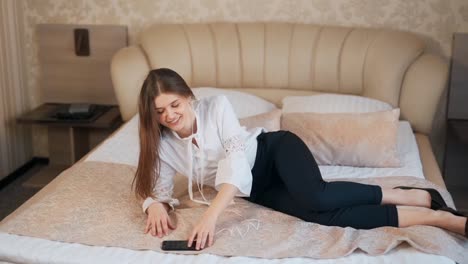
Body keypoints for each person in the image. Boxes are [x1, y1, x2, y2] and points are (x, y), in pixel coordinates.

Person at [134, 68, 467, 251]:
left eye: (175, 105)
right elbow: (157, 188)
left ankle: (412, 199)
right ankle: (429, 214)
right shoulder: (161, 143)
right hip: (257, 188)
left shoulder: (217, 106)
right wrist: (154, 204)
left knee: (316, 196)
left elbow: (236, 161)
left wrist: (210, 218)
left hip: (274, 152)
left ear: (189, 97)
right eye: (160, 111)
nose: (170, 115)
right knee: (323, 217)